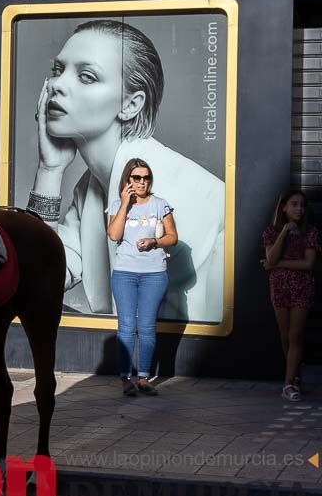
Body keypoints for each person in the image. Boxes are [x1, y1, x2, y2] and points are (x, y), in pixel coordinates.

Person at [27, 19, 224, 321]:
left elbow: (169, 327)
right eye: (58, 70)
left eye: (87, 76)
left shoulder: (171, 190)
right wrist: (49, 170)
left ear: (131, 104)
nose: (57, 84)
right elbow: (40, 280)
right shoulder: (92, 186)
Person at [107, 158, 177, 397]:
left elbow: (172, 237)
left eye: (146, 178)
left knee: (146, 327)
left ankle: (144, 378)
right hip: (124, 272)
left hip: (154, 274)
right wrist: (125, 203)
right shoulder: (118, 204)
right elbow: (113, 234)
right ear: (128, 179)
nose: (142, 182)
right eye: (137, 177)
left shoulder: (160, 204)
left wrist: (154, 241)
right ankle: (126, 379)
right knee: (126, 327)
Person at [262, 189, 318, 401]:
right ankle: (294, 378)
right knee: (285, 336)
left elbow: (308, 263)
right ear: (283, 207)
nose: (299, 209)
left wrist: (273, 264)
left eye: (302, 205)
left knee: (295, 336)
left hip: (301, 287)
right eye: (294, 204)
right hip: (279, 287)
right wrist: (284, 232)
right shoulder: (271, 231)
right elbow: (271, 256)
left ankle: (287, 385)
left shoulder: (310, 232)